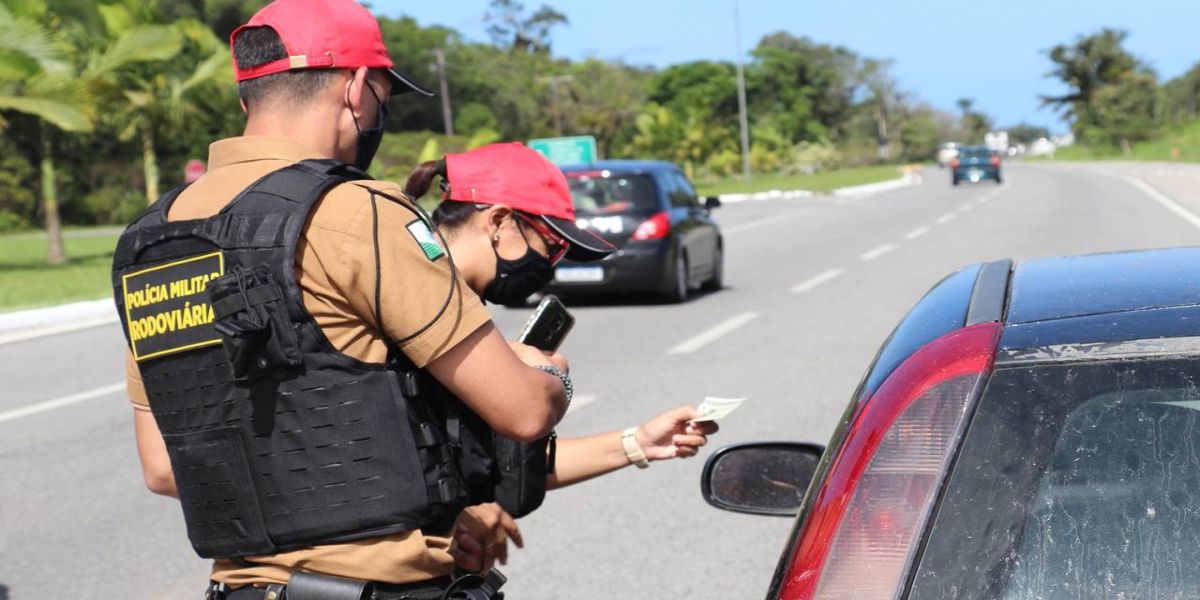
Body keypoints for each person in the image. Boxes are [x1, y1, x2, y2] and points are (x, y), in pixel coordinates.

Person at [112, 1, 595, 598]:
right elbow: (522, 411)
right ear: (358, 88)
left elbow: (164, 469)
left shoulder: (151, 238)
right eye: (384, 100)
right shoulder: (357, 210)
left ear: (249, 97)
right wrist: (551, 375)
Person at [402, 144, 721, 572]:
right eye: (550, 246)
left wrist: (638, 442)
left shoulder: (463, 313)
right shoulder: (411, 307)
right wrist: (548, 376)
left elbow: (501, 466)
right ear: (498, 221)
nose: (552, 265)